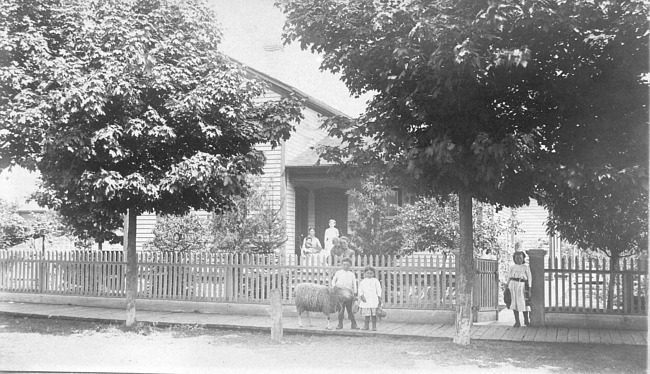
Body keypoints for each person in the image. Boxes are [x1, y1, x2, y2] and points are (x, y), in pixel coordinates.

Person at [331, 257, 359, 330]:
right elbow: (333, 280)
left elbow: (354, 284)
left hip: (348, 294)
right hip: (340, 293)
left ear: (350, 266)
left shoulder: (352, 274)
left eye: (347, 265)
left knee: (350, 310)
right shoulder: (338, 272)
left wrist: (355, 293)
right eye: (344, 265)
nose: (346, 266)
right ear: (342, 265)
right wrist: (334, 287)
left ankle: (354, 324)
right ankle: (340, 324)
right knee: (341, 309)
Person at [506, 251, 532, 327]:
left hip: (522, 285)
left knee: (523, 302)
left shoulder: (526, 267)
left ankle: (526, 320)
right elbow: (509, 277)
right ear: (514, 259)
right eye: (517, 258)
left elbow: (530, 278)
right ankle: (517, 321)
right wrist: (507, 286)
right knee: (514, 302)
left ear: (523, 258)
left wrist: (530, 288)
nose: (518, 260)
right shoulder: (512, 267)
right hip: (513, 285)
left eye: (520, 258)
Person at [358, 266, 382, 331]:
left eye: (371, 273)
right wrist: (362, 296)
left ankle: (374, 326)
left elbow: (379, 289)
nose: (369, 274)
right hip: (366, 299)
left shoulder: (375, 281)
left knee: (374, 314)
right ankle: (366, 325)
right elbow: (360, 290)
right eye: (368, 273)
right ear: (365, 273)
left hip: (373, 299)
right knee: (367, 314)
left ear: (373, 274)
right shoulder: (363, 281)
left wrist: (379, 296)